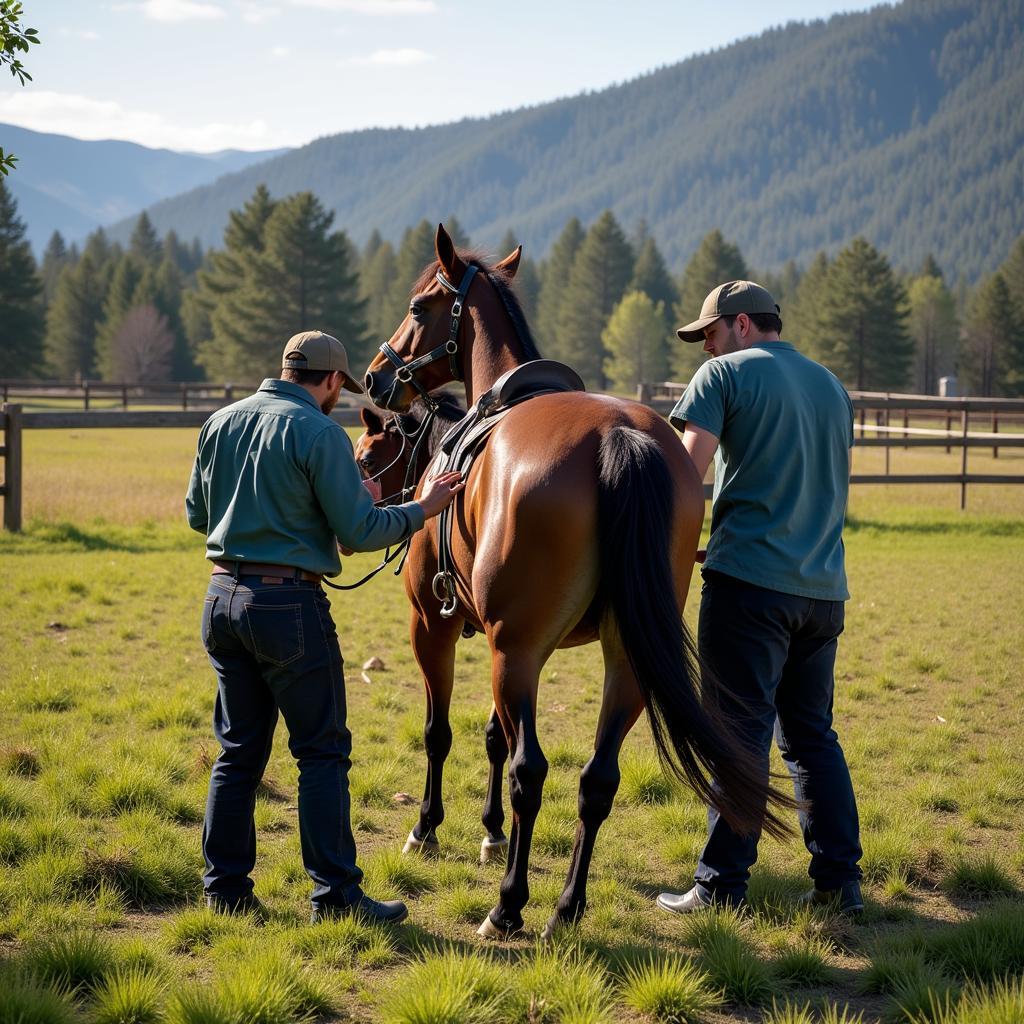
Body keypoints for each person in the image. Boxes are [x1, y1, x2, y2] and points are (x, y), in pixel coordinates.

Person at [185, 330, 463, 925]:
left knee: (237, 752)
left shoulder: (220, 422)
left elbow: (197, 515)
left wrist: (306, 511)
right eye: (342, 387)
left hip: (221, 599)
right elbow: (360, 534)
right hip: (288, 606)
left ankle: (224, 891)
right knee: (322, 752)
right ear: (333, 381)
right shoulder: (320, 433)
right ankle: (336, 897)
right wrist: (425, 507)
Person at [656, 281, 864, 916]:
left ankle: (720, 886)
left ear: (741, 325)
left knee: (738, 732)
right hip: (824, 592)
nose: (706, 349)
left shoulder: (724, 377)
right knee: (810, 738)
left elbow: (685, 478)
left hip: (750, 586)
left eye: (710, 335)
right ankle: (839, 882)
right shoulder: (832, 386)